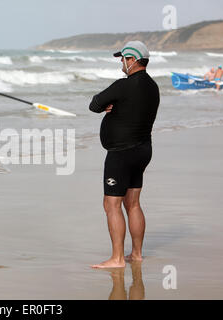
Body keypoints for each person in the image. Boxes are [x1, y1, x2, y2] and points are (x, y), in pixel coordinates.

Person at [89, 41, 160, 268]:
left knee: (112, 204)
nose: (121, 62)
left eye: (123, 59)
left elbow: (94, 104)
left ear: (133, 60)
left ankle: (117, 258)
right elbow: (134, 109)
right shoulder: (153, 87)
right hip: (143, 150)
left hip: (121, 154)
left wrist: (109, 104)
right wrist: (115, 106)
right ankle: (136, 254)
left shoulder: (123, 86)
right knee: (133, 204)